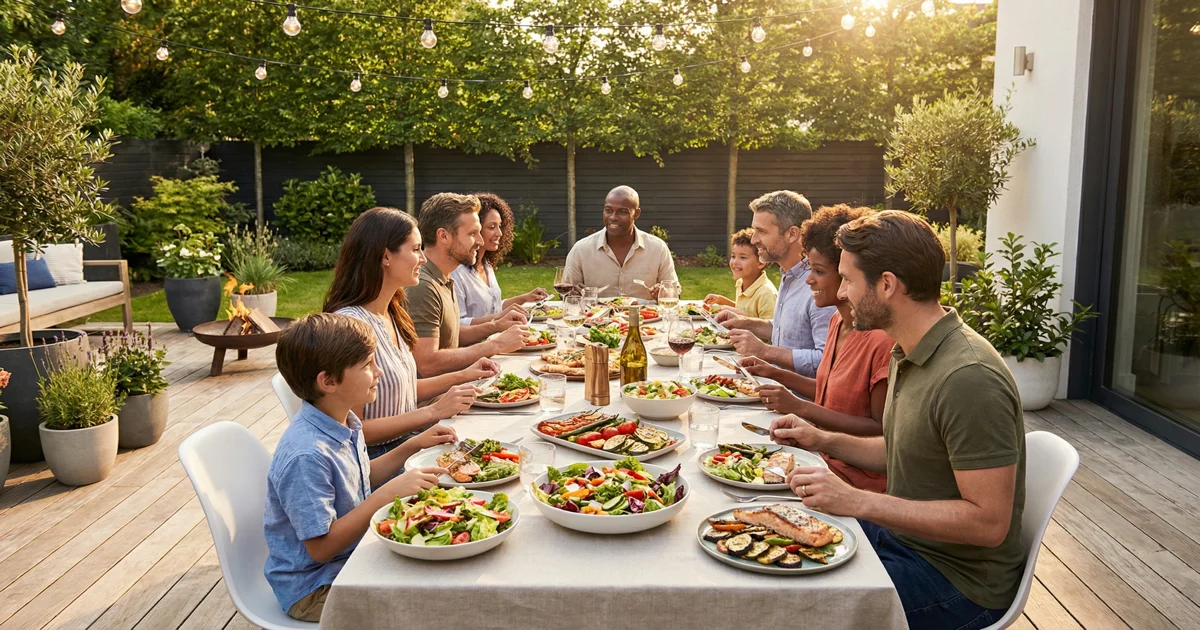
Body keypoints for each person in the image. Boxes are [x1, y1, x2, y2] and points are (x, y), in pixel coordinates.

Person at [770, 210, 1025, 629]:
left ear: (887, 285)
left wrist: (856, 501)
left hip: (953, 581)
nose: (844, 293)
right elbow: (902, 450)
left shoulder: (968, 377)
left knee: (789, 606)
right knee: (768, 532)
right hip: (902, 540)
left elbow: (988, 522)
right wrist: (821, 439)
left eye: (849, 279)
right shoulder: (908, 348)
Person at [264, 313, 455, 622]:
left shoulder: (342, 422)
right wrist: (385, 496)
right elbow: (320, 548)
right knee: (431, 599)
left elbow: (359, 477)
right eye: (367, 365)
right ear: (328, 381)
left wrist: (412, 445)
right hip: (316, 587)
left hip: (347, 561)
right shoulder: (306, 455)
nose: (378, 372)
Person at [324, 206, 501, 458]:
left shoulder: (391, 312)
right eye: (416, 249)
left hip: (409, 442)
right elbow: (355, 430)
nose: (424, 258)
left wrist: (463, 375)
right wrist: (433, 412)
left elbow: (400, 390)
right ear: (386, 256)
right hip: (378, 458)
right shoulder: (351, 327)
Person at [739, 205, 892, 493]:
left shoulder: (881, 342)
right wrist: (774, 373)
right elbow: (828, 391)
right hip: (817, 460)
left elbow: (878, 430)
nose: (809, 279)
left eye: (819, 271)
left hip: (851, 484)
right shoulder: (837, 320)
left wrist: (799, 407)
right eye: (809, 269)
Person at [714, 190, 835, 377]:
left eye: (761, 231)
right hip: (773, 388)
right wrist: (745, 323)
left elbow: (827, 361)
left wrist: (765, 351)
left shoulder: (818, 285)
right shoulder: (789, 274)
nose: (754, 240)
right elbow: (786, 331)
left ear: (792, 234)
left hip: (798, 401)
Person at [407, 193, 527, 376]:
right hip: (438, 399)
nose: (480, 241)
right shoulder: (424, 286)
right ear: (443, 236)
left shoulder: (445, 278)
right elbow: (427, 363)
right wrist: (496, 344)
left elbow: (454, 335)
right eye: (472, 233)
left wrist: (496, 325)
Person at [562, 185, 679, 300]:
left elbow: (674, 293)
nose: (613, 217)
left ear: (636, 214)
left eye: (622, 212)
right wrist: (573, 294)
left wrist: (665, 293)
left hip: (646, 317)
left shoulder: (657, 248)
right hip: (595, 318)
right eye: (608, 210)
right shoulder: (581, 249)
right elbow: (566, 294)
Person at [450, 192, 548, 325]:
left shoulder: (486, 264)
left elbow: (493, 308)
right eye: (491, 227)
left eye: (500, 226)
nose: (499, 233)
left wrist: (526, 297)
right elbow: (458, 325)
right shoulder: (456, 272)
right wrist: (498, 319)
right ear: (475, 229)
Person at [702, 227, 778, 319]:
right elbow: (743, 309)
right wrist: (721, 300)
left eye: (743, 257)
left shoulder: (766, 294)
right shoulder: (741, 282)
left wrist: (731, 311)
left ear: (761, 262)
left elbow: (770, 329)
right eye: (733, 256)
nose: (734, 262)